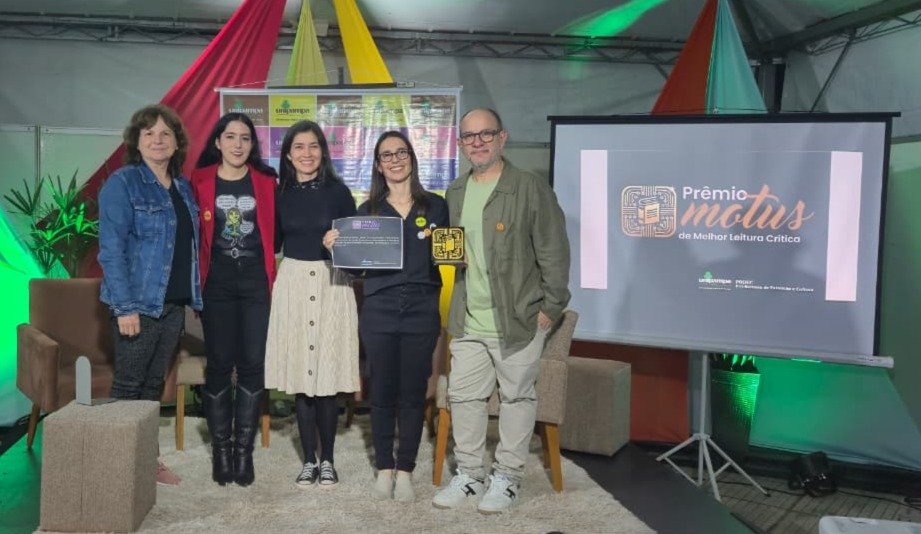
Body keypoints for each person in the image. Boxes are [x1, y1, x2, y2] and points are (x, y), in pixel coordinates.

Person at [431, 108, 571, 513]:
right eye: (469, 137)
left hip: (519, 320)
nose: (477, 142)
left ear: (502, 137)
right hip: (469, 319)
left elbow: (555, 253)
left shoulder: (529, 188)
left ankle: (507, 478)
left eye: (485, 134)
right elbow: (460, 249)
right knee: (465, 398)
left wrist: (550, 308)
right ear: (460, 144)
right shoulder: (455, 192)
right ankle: (470, 475)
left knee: (516, 399)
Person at [327, 131, 448, 502]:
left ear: (412, 157)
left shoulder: (436, 206)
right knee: (380, 391)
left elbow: (447, 253)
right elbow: (356, 271)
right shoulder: (367, 213)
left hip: (422, 309)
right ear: (378, 165)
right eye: (386, 155)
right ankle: (384, 467)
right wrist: (337, 247)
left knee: (413, 393)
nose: (395, 160)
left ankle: (406, 470)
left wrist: (460, 255)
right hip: (379, 309)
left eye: (401, 152)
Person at [98, 104, 202, 486]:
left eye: (165, 134)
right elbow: (111, 249)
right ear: (136, 143)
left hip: (172, 305)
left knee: (153, 386)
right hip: (137, 305)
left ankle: (146, 460)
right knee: (128, 387)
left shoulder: (184, 189)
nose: (157, 140)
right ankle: (117, 468)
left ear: (176, 143)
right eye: (149, 134)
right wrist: (125, 307)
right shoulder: (122, 183)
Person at [265, 120, 360, 487]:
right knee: (302, 377)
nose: (307, 153)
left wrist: (340, 244)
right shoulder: (279, 193)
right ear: (288, 154)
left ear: (323, 151)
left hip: (331, 283)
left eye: (313, 146)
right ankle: (307, 460)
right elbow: (273, 242)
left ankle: (329, 461)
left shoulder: (339, 192)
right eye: (299, 147)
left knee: (327, 375)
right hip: (292, 281)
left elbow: (354, 250)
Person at [190, 112, 277, 487]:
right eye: (231, 137)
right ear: (218, 142)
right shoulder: (199, 181)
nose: (238, 144)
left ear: (252, 145)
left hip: (257, 285)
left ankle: (244, 451)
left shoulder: (268, 181)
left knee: (254, 363)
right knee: (220, 364)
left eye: (245, 138)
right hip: (218, 286)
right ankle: (221, 450)